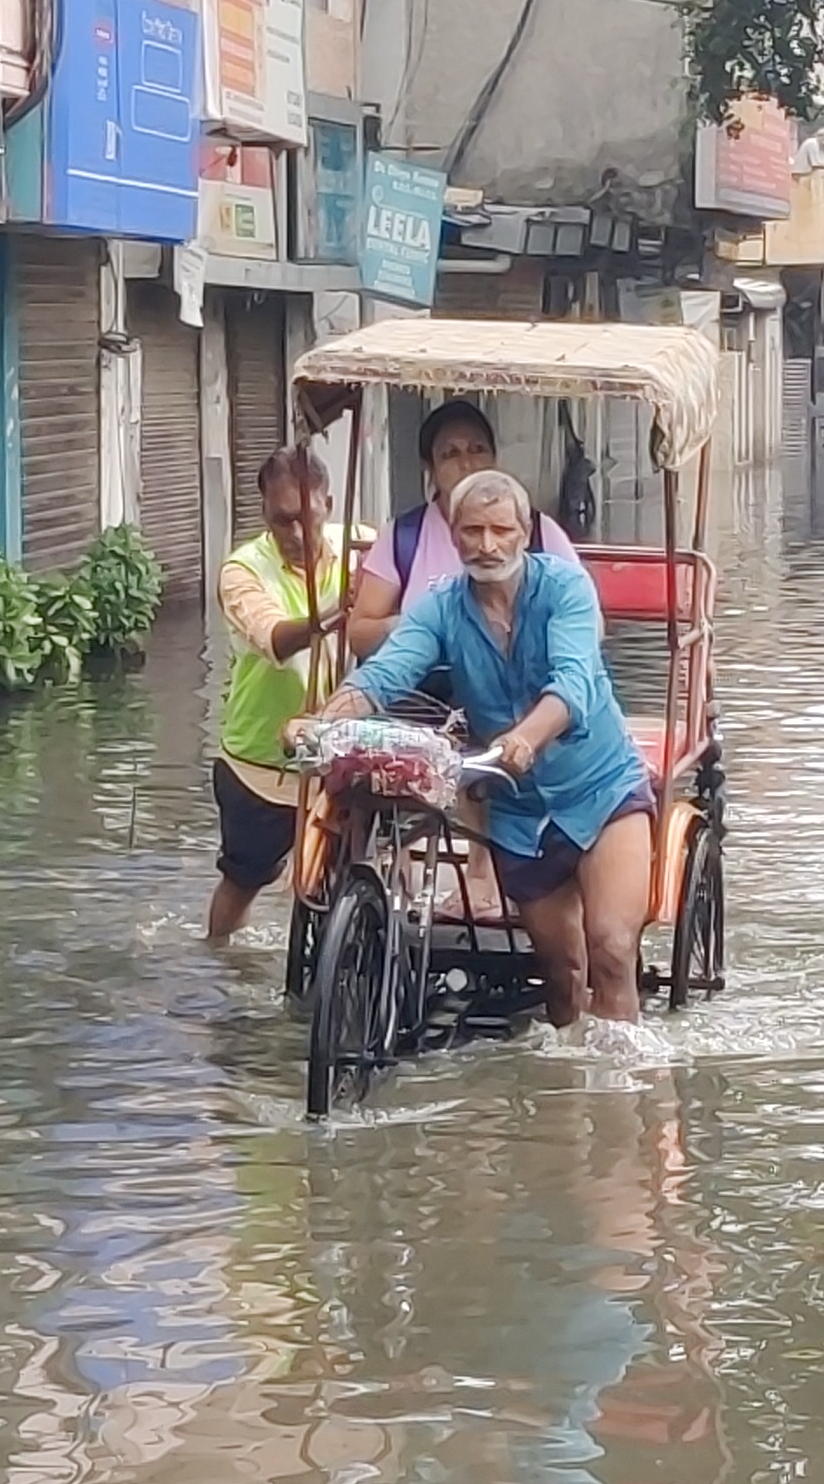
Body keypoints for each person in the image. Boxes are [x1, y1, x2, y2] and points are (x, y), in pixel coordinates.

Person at [318, 468, 655, 1026]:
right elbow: (389, 671)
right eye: (472, 530)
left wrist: (525, 737)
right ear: (453, 536)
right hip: (518, 808)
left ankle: (625, 1095)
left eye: (501, 529)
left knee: (612, 951)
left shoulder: (565, 588)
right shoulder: (440, 607)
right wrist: (329, 718)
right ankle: (571, 1099)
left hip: (600, 788)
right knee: (560, 972)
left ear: (526, 531)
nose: (487, 544)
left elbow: (574, 680)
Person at [207, 446, 359, 946]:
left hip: (344, 755)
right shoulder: (241, 570)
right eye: (281, 522)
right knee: (244, 878)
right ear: (264, 516)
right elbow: (273, 637)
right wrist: (338, 609)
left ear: (329, 505)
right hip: (262, 763)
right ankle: (217, 959)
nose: (296, 535)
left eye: (306, 519)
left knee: (351, 877)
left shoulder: (362, 549)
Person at [347, 398, 580, 658]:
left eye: (477, 449)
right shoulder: (402, 537)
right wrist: (421, 625)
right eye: (450, 454)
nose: (467, 463)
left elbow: (587, 622)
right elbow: (359, 636)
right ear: (431, 469)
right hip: (424, 688)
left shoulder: (539, 530)